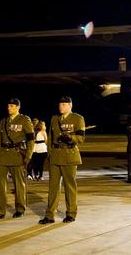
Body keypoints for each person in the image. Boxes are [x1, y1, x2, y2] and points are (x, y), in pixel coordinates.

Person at [39, 96, 85, 224]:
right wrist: (49, 154)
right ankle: (49, 215)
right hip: (55, 155)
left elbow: (81, 138)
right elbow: (50, 137)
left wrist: (70, 137)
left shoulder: (77, 118)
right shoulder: (55, 119)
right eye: (60, 104)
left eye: (64, 104)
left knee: (69, 186)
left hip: (69, 155)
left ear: (70, 106)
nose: (61, 106)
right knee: (53, 187)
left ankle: (71, 213)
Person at [0, 98, 35, 220]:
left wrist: (29, 155)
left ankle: (20, 209)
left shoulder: (24, 120)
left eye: (12, 106)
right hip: (3, 155)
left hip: (17, 155)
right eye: (8, 106)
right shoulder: (3, 121)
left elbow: (31, 139)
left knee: (19, 184)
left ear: (18, 107)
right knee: (0, 185)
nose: (9, 108)